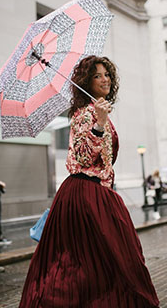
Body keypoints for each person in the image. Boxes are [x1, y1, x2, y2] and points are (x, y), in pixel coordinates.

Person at [19, 55, 159, 308]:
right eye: (97, 76)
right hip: (85, 195)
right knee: (91, 262)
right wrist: (100, 123)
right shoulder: (85, 114)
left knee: (109, 260)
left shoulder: (97, 109)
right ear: (87, 81)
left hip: (99, 193)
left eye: (106, 74)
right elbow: (83, 157)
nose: (104, 79)